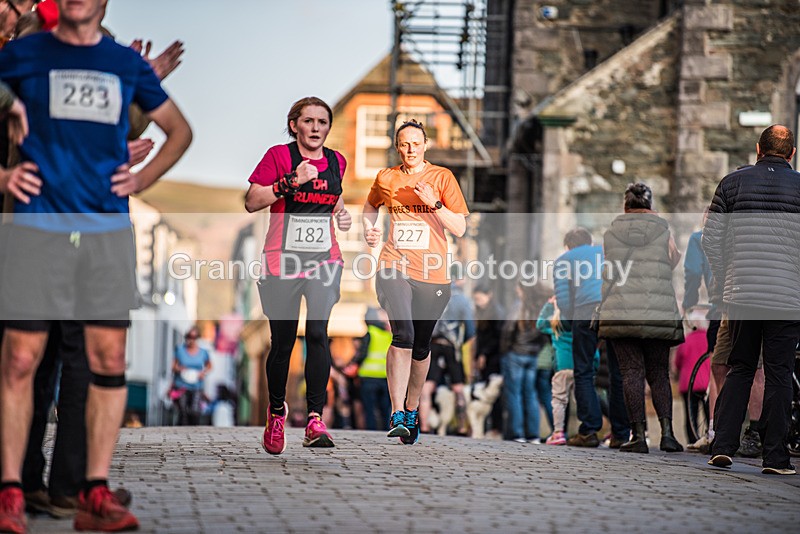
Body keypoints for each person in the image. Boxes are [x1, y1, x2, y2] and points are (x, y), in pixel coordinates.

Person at [0, 1, 192, 532]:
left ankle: (90, 494)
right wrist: (3, 178)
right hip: (36, 227)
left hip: (105, 234)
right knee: (21, 359)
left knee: (103, 359)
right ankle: (11, 493)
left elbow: (178, 130)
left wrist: (144, 178)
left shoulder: (123, 63)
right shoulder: (22, 53)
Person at [245, 96, 352, 454]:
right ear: (295, 125)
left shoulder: (338, 161)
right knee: (283, 342)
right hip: (282, 262)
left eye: (323, 123)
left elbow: (332, 196)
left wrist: (342, 213)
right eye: (309, 122)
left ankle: (315, 419)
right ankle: (277, 413)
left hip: (325, 259)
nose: (316, 129)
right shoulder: (279, 157)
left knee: (319, 333)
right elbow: (252, 200)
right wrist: (290, 181)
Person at [362, 118, 468, 445]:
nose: (410, 149)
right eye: (404, 144)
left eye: (416, 143)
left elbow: (460, 228)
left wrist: (435, 203)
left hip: (434, 274)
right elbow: (370, 206)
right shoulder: (387, 177)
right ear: (398, 147)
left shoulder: (442, 177)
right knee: (403, 334)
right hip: (395, 265)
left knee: (422, 345)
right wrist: (370, 228)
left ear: (425, 146)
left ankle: (411, 408)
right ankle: (396, 413)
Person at [703, 125, 800, 475]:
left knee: (740, 368)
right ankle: (775, 458)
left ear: (758, 149)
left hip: (742, 293)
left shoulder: (732, 183)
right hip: (788, 297)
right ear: (791, 153)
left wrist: (729, 274)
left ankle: (723, 446)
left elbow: (710, 240)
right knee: (779, 374)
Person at [598, 182, 685, 454]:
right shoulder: (664, 230)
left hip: (622, 309)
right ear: (650, 205)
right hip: (658, 309)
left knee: (631, 373)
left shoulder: (612, 233)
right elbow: (672, 261)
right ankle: (668, 435)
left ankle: (637, 435)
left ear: (625, 206)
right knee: (658, 373)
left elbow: (608, 273)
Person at [554, 227, 630, 448]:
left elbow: (564, 301)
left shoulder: (564, 260)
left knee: (584, 370)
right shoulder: (604, 253)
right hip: (614, 310)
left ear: (568, 245)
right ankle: (621, 432)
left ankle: (589, 429)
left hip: (585, 311)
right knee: (618, 372)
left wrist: (571, 319)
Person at [419, 272, 475, 435]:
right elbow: (470, 330)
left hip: (432, 344)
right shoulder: (463, 300)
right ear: (460, 279)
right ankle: (462, 426)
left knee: (427, 388)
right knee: (458, 388)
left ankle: (424, 425)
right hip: (451, 346)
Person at [500, 281, 550, 443]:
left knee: (514, 394)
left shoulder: (519, 306)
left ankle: (517, 433)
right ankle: (533, 434)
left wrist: (505, 349)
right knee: (530, 394)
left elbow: (508, 329)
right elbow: (544, 332)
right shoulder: (539, 307)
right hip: (533, 355)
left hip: (515, 354)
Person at [672, 312, 710, 444]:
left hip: (688, 384)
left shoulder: (686, 340)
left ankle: (692, 440)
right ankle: (710, 436)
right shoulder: (709, 339)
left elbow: (677, 362)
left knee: (690, 415)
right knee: (708, 412)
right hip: (707, 383)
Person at [472, 285, 504, 437]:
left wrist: (483, 354)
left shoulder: (495, 312)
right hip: (485, 357)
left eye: (480, 298)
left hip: (494, 358)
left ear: (489, 295)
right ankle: (486, 427)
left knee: (493, 395)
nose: (478, 302)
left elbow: (495, 339)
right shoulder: (483, 311)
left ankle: (496, 427)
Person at [356, 308, 392, 431]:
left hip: (368, 377)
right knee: (385, 408)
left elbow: (362, 354)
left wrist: (353, 364)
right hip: (385, 376)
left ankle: (371, 431)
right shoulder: (388, 334)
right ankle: (387, 429)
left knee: (369, 408)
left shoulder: (370, 333)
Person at [172, 326, 212, 425]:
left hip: (197, 385)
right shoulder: (180, 350)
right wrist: (180, 369)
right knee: (183, 411)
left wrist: (203, 373)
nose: (191, 340)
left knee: (195, 412)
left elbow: (209, 365)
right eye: (189, 337)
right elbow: (173, 366)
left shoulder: (203, 352)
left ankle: (193, 435)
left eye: (194, 337)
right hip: (182, 385)